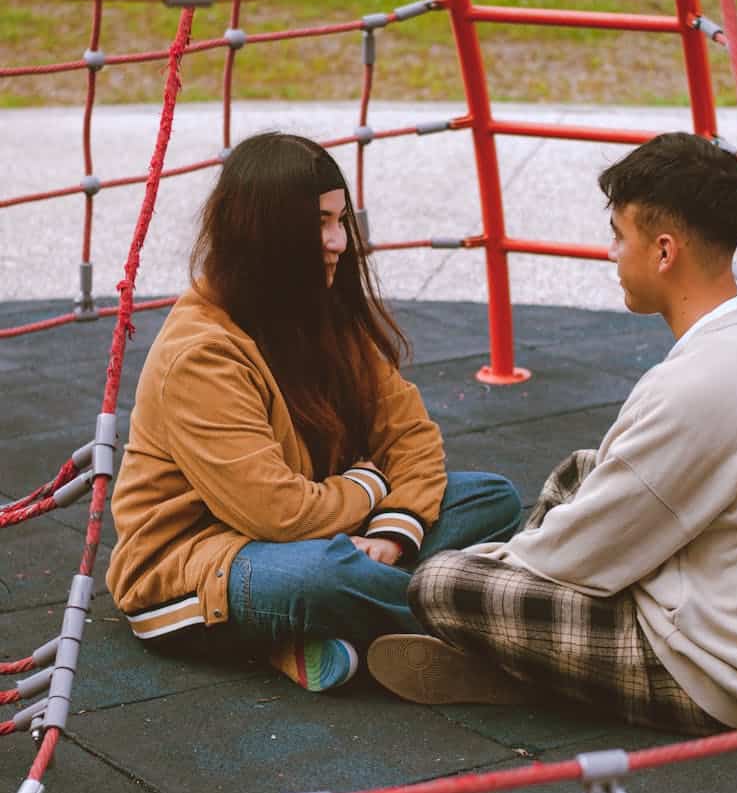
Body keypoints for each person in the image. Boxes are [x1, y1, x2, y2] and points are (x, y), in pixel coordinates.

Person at [367, 132, 737, 734]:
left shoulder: (696, 386)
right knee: (585, 468)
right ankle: (528, 660)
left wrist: (491, 564)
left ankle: (520, 668)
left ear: (665, 252)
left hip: (730, 679)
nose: (611, 254)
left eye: (620, 237)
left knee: (441, 585)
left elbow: (577, 559)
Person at [107, 132, 521, 691]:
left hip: (325, 529)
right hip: (202, 566)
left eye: (341, 221)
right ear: (268, 235)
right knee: (325, 577)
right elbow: (275, 513)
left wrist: (394, 534)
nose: (339, 242)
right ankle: (498, 636)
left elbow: (411, 434)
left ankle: (320, 638)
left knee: (491, 497)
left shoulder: (318, 308)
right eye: (321, 224)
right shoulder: (200, 353)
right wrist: (373, 490)